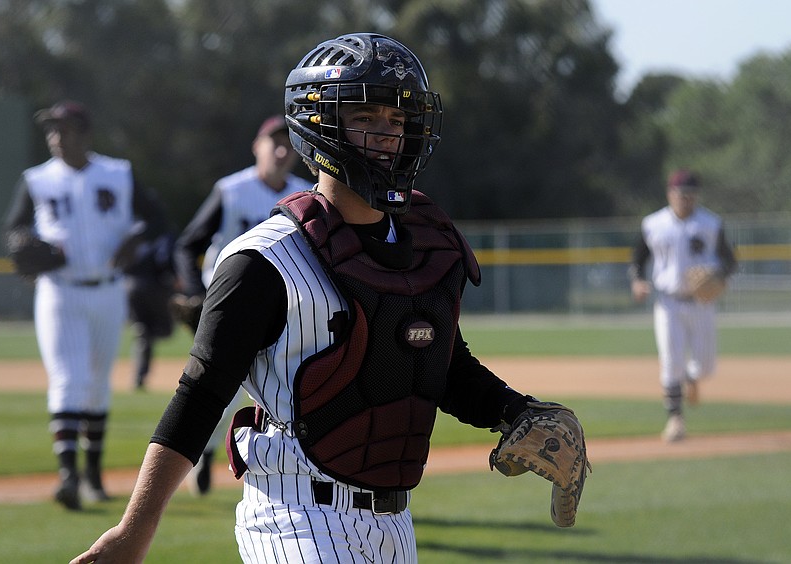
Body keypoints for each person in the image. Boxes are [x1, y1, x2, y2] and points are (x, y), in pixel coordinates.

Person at [70, 33, 553, 563]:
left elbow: (442, 367)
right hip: (294, 515)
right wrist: (134, 529)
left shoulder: (424, 244)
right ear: (318, 123)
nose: (387, 136)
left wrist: (519, 411)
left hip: (396, 524)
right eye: (366, 118)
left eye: (397, 121)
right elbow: (199, 397)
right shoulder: (263, 260)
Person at [2, 100, 168, 510]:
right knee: (67, 378)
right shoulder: (37, 179)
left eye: (65, 129)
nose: (57, 138)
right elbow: (15, 227)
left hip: (109, 289)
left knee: (97, 383)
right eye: (51, 131)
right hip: (60, 290)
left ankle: (93, 476)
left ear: (84, 133)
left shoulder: (117, 172)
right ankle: (67, 476)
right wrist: (23, 244)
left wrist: (134, 240)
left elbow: (159, 219)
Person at [173, 115, 312, 494]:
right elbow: (189, 244)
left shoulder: (306, 195)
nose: (281, 151)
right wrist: (197, 294)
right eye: (274, 143)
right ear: (257, 146)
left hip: (288, 311)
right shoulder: (231, 190)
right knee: (219, 389)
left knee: (285, 392)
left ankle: (280, 476)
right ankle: (204, 453)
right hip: (230, 308)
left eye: (288, 145)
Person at [630, 169, 737, 442]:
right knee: (671, 361)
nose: (685, 200)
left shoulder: (711, 223)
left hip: (702, 303)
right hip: (668, 302)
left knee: (705, 367)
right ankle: (675, 420)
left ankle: (692, 377)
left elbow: (730, 260)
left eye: (690, 195)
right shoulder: (654, 224)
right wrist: (638, 281)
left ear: (697, 196)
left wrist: (720, 274)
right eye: (681, 195)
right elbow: (638, 258)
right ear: (670, 194)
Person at [124, 231, 177, 390]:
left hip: (130, 286)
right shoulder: (163, 232)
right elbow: (164, 259)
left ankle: (140, 373)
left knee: (143, 330)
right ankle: (147, 334)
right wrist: (172, 276)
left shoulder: (130, 230)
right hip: (154, 286)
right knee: (166, 330)